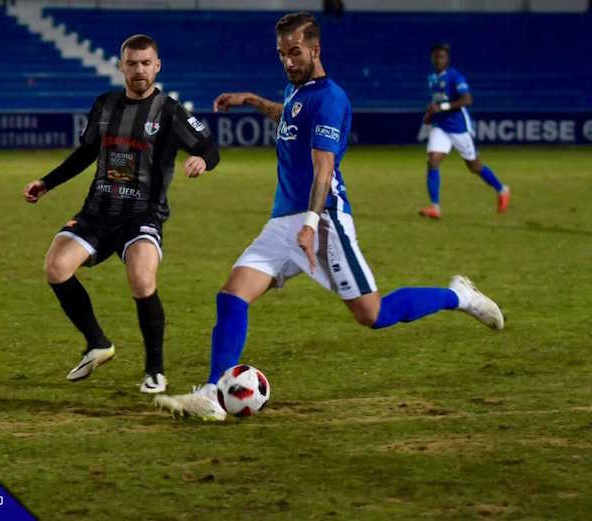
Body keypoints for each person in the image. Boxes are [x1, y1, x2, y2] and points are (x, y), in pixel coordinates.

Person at [154, 13, 504, 421]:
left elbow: (323, 170)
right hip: (283, 222)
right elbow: (288, 114)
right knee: (232, 295)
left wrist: (310, 225)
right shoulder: (297, 91)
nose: (288, 61)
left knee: (372, 314)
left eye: (296, 53)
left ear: (316, 50)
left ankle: (459, 295)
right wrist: (249, 99)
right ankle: (213, 393)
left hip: (324, 222)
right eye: (282, 54)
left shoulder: (331, 99)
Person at [23, 34, 219, 394]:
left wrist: (202, 159)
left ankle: (155, 371)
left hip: (143, 214)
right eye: (132, 63)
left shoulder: (170, 111)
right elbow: (86, 153)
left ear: (157, 66)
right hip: (97, 212)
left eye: (146, 63)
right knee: (56, 267)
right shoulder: (105, 105)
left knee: (143, 280)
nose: (139, 70)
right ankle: (97, 343)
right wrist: (47, 183)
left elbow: (209, 145)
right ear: (121, 66)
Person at [419, 43, 510, 219]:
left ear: (447, 59)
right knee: (433, 161)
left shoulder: (455, 77)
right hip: (441, 126)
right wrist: (430, 114)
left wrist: (442, 107)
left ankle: (502, 189)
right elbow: (436, 103)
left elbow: (467, 99)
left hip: (459, 127)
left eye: (442, 56)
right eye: (436, 56)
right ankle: (435, 207)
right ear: (432, 58)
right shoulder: (432, 78)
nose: (438, 59)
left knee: (474, 166)